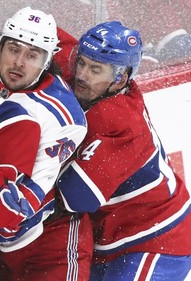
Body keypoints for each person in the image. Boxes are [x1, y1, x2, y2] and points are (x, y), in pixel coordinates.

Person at [0, 7, 92, 281]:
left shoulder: (62, 115)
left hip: (38, 237)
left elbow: (26, 195)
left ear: (46, 61)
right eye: (13, 49)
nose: (19, 62)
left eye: (32, 55)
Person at [56, 21, 191, 280]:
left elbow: (74, 197)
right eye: (82, 62)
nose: (82, 74)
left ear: (121, 79)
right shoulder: (89, 79)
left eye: (95, 69)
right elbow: (46, 35)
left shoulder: (121, 124)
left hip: (156, 240)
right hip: (108, 242)